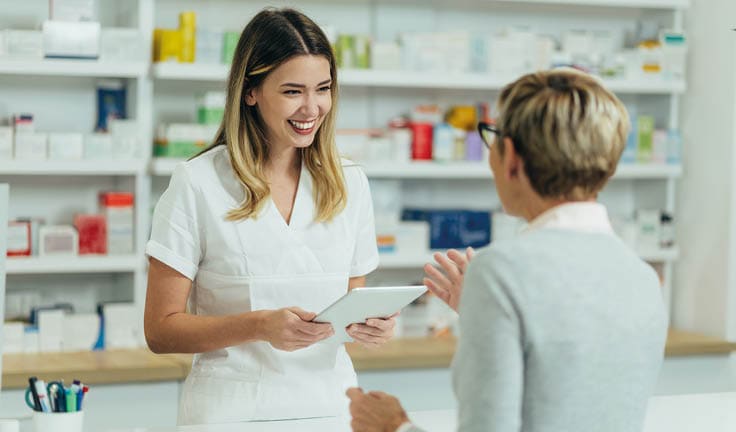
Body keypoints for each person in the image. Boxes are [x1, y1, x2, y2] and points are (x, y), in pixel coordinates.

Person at [347, 69, 668, 432]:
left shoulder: (502, 271)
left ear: (511, 156)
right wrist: (483, 311)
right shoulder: (643, 278)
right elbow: (570, 390)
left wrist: (394, 426)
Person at [144, 8, 396, 425]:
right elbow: (160, 330)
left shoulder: (350, 183)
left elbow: (351, 306)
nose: (312, 107)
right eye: (293, 91)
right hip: (231, 415)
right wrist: (259, 326)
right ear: (251, 92)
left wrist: (372, 326)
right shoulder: (198, 182)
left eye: (324, 88)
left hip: (331, 409)